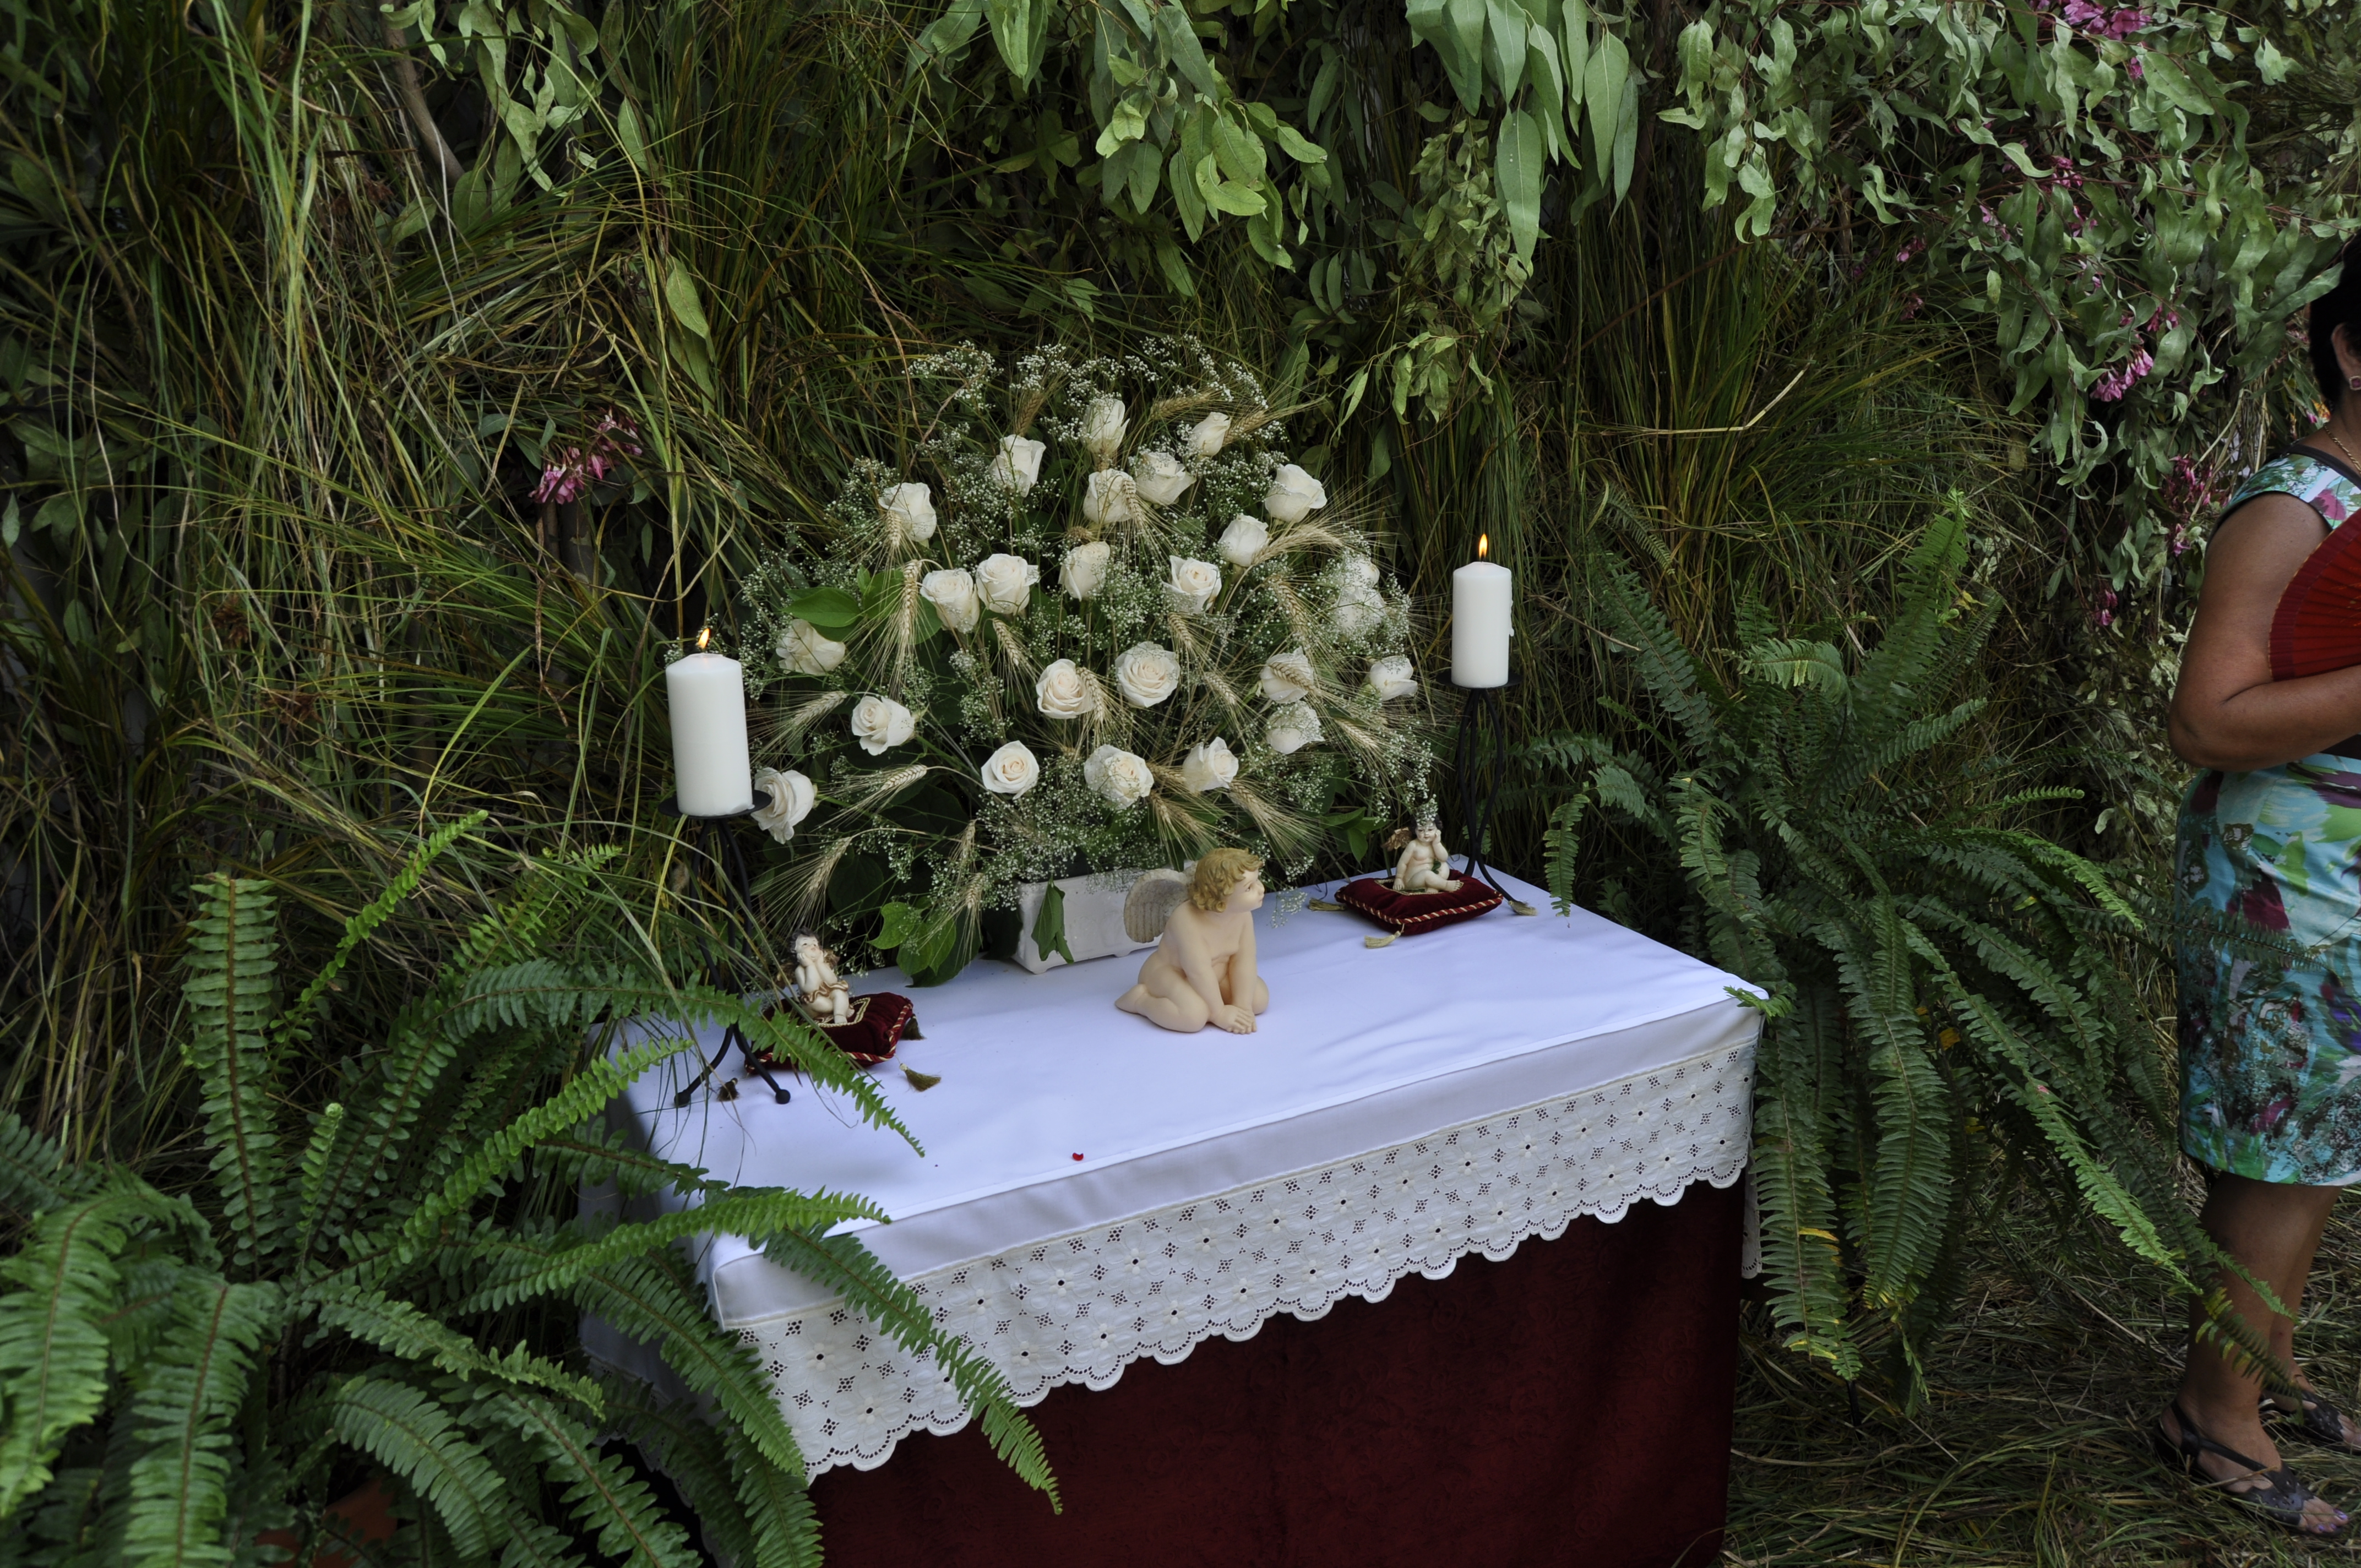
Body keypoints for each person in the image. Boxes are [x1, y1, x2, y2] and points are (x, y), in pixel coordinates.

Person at [2163, 241, 2361, 1534]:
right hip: (2283, 883)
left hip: (2346, 874)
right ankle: (2205, 1411)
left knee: (2324, 1146)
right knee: (2282, 1154)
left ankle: (2268, 1362)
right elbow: (2205, 716)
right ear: (2350, 349)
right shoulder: (2295, 505)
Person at [1116, 848, 1270, 1033]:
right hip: (1170, 973)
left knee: (1258, 1000)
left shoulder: (1242, 915)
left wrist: (1243, 1007)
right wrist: (1219, 1013)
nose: (1261, 890)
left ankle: (1210, 1001)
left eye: (1257, 881)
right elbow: (1198, 971)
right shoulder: (1186, 919)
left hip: (1214, 974)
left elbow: (1244, 961)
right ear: (1221, 897)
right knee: (1194, 1018)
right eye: (1249, 888)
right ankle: (1141, 1001)